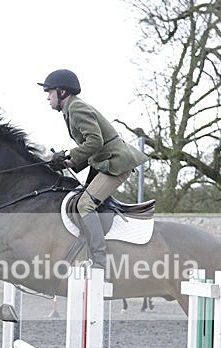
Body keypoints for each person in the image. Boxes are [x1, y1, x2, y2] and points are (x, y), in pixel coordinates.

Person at [39, 69, 147, 270]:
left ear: (62, 92)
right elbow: (93, 145)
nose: (47, 97)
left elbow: (95, 141)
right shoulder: (70, 110)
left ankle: (100, 261)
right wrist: (69, 162)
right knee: (76, 198)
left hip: (115, 162)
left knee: (84, 205)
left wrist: (69, 154)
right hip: (102, 161)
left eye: (50, 92)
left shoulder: (77, 108)